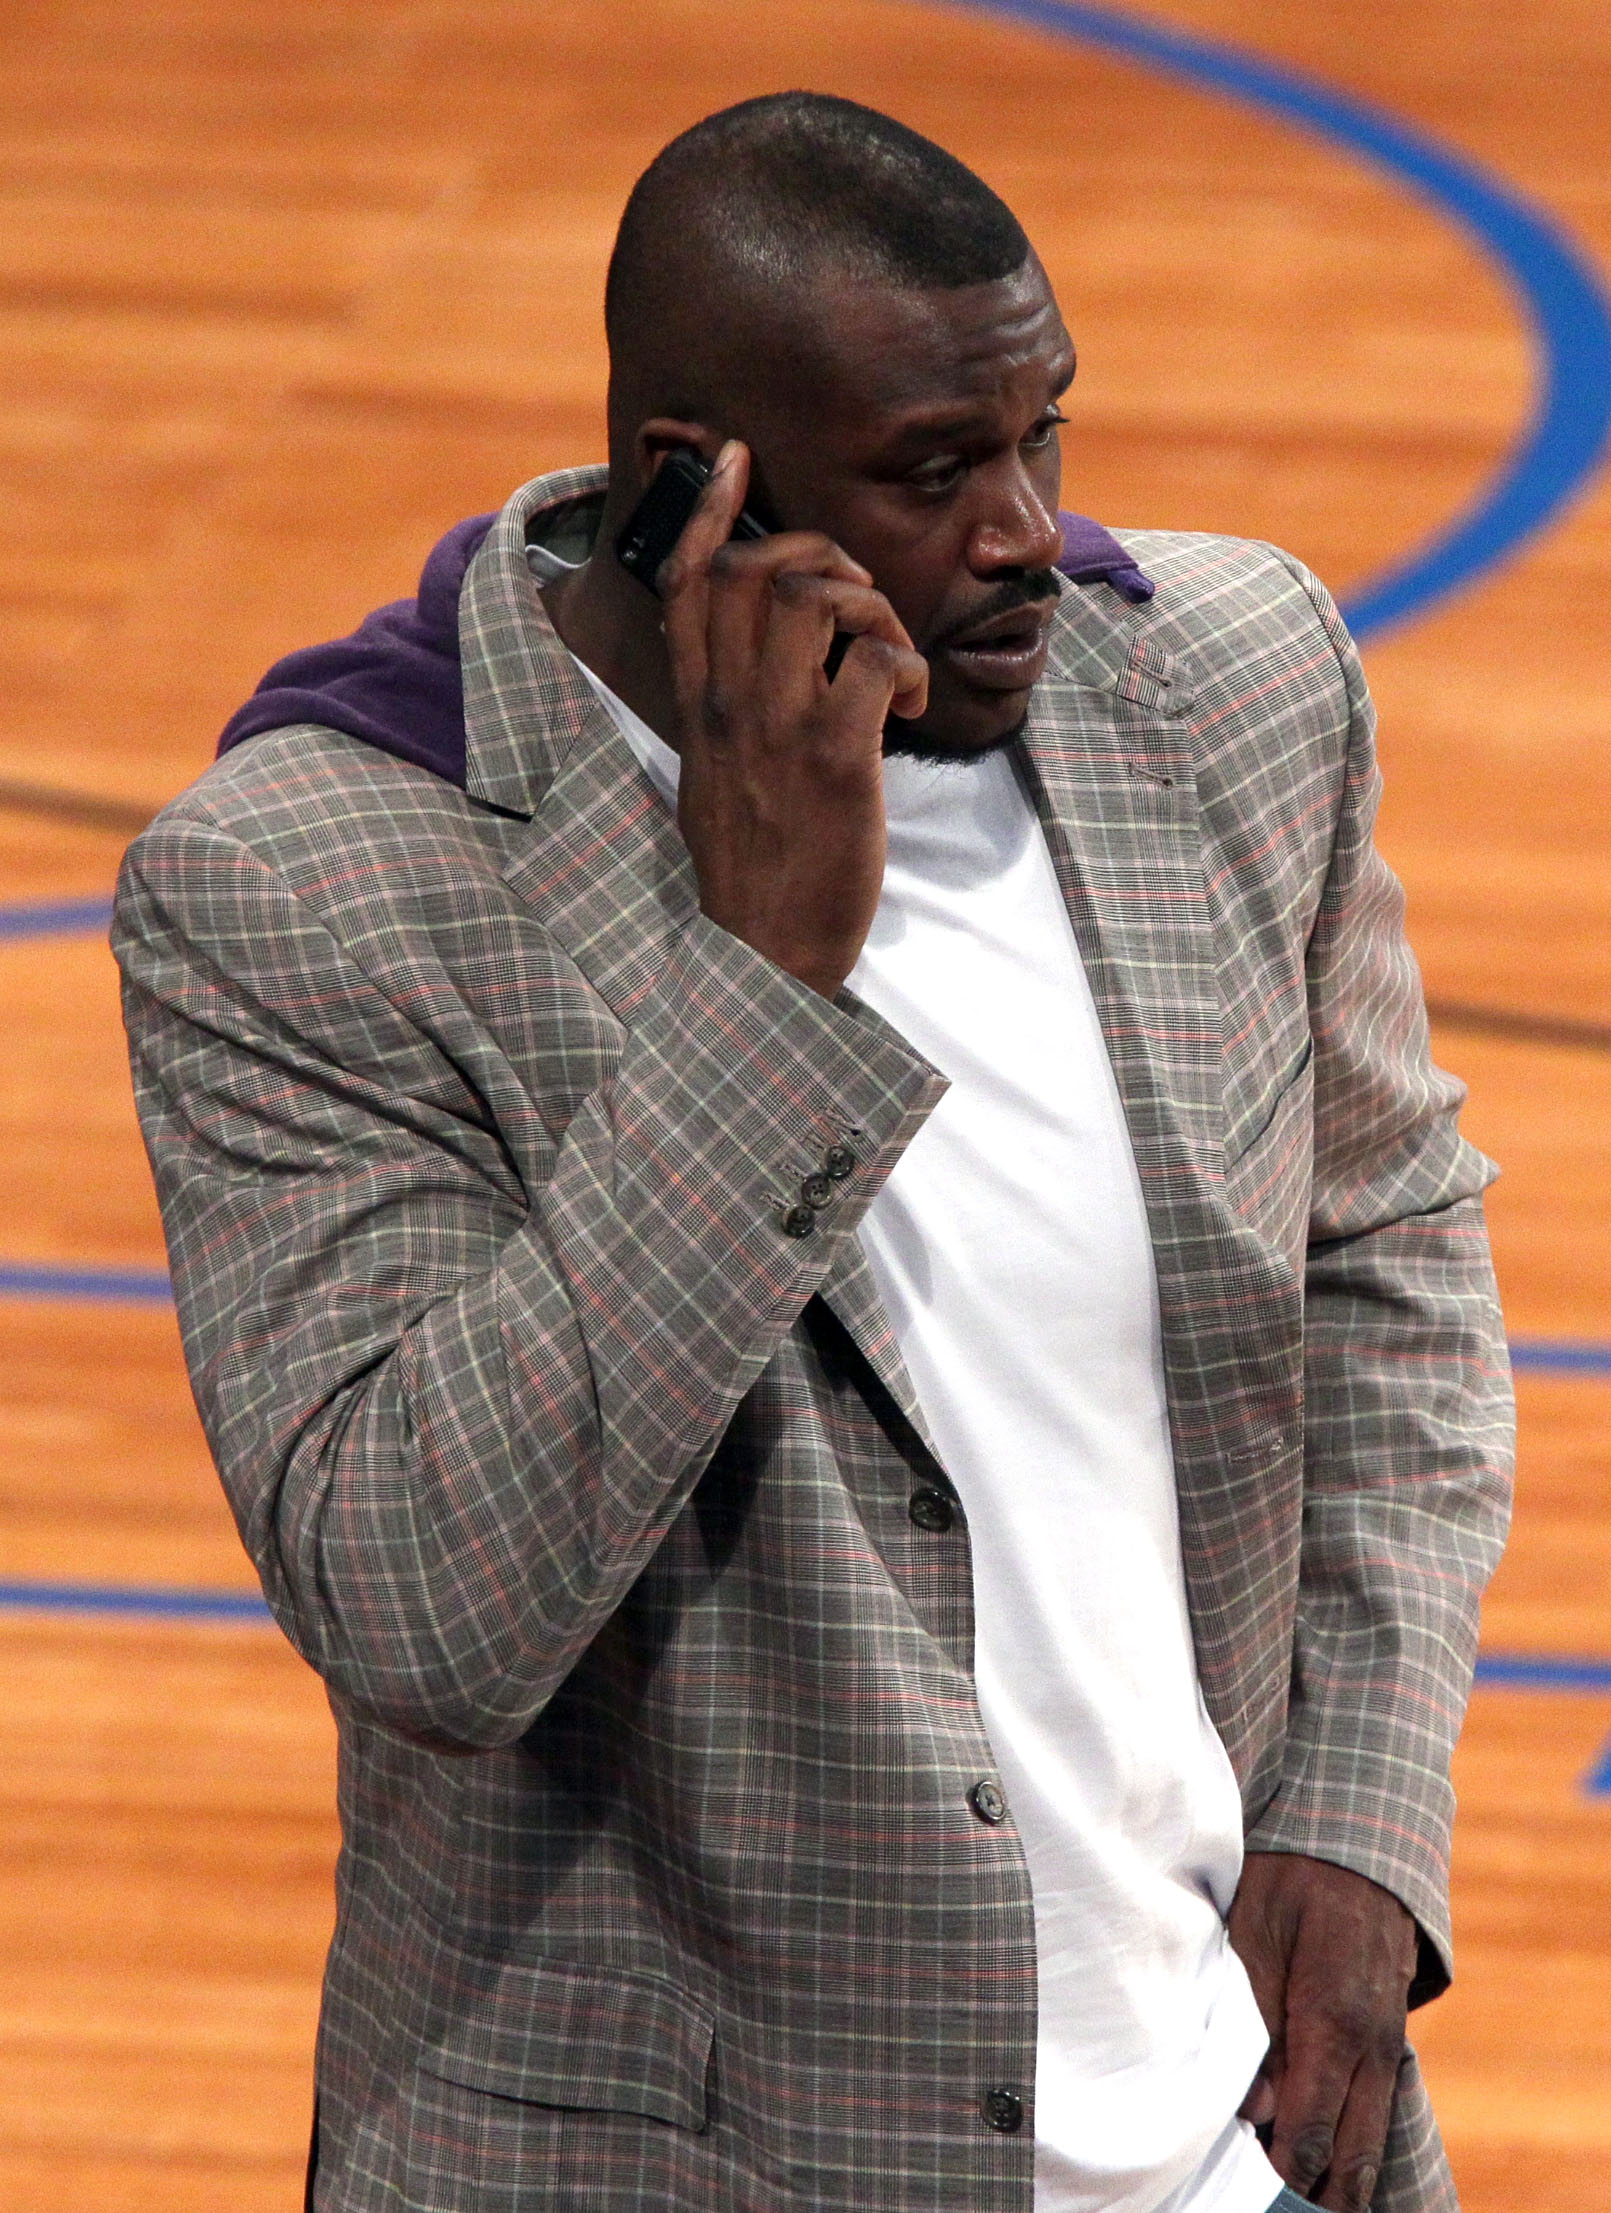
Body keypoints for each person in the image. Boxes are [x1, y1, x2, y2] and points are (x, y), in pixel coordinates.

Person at [113, 92, 1513, 2213]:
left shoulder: (1221, 686)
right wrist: (767, 978)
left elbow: (1387, 1256)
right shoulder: (316, 883)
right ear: (696, 481)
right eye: (938, 474)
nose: (1028, 529)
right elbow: (425, 1603)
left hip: (1239, 2128)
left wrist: (1361, 1810)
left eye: (1045, 435)